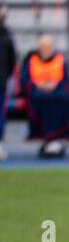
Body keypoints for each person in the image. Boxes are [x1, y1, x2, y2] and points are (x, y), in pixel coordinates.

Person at [21, 35, 69, 157]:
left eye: (48, 47)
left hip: (56, 90)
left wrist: (54, 85)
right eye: (43, 47)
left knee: (62, 99)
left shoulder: (60, 59)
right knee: (41, 100)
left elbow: (66, 78)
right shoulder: (32, 60)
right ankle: (47, 137)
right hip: (37, 92)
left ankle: (56, 138)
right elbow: (25, 79)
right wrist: (38, 85)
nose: (46, 50)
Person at [0, 9, 17, 161]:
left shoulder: (6, 36)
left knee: (0, 115)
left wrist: (5, 76)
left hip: (1, 81)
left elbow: (11, 60)